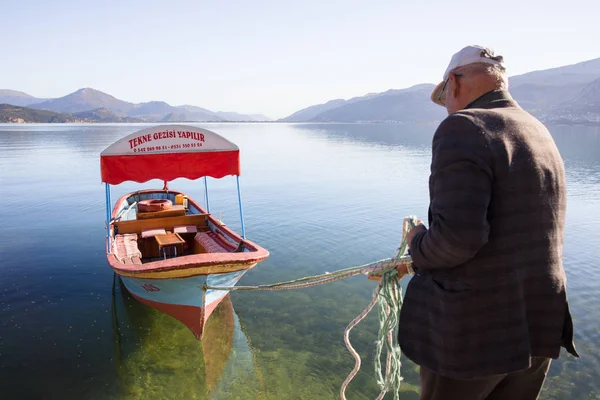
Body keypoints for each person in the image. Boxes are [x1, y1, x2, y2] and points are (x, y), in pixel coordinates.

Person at [394, 45, 579, 400]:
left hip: (475, 338)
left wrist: (416, 239)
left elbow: (456, 240)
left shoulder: (463, 127)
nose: (447, 105)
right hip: (538, 324)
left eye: (444, 95)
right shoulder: (538, 130)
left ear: (454, 82)